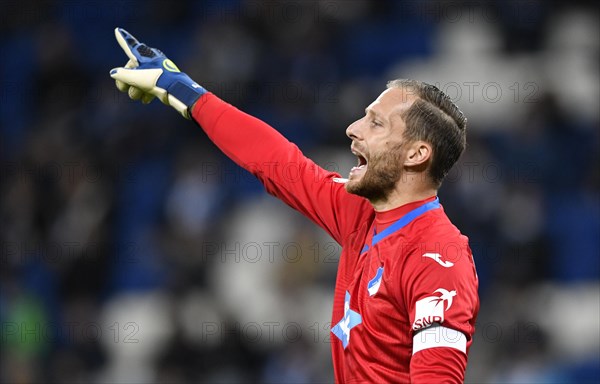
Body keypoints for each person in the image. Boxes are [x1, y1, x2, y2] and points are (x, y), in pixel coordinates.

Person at [110, 28, 479, 383]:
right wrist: (183, 89)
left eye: (376, 123)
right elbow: (276, 161)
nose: (353, 128)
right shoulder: (361, 214)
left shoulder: (438, 258)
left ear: (416, 154)